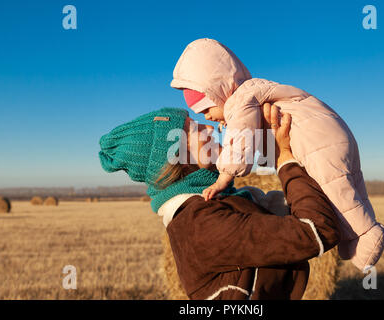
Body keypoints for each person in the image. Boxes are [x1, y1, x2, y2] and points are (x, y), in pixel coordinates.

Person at [170, 38, 384, 271]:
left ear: (220, 91)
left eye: (206, 109)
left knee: (334, 190)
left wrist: (225, 176)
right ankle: (353, 241)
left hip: (313, 140)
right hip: (332, 132)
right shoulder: (251, 91)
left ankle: (366, 235)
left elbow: (240, 142)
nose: (207, 117)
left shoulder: (240, 101)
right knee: (349, 185)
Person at [98, 105, 340, 300]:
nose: (210, 127)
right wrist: (285, 160)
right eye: (194, 128)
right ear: (178, 160)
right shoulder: (200, 223)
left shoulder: (221, 202)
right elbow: (315, 229)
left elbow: (300, 208)